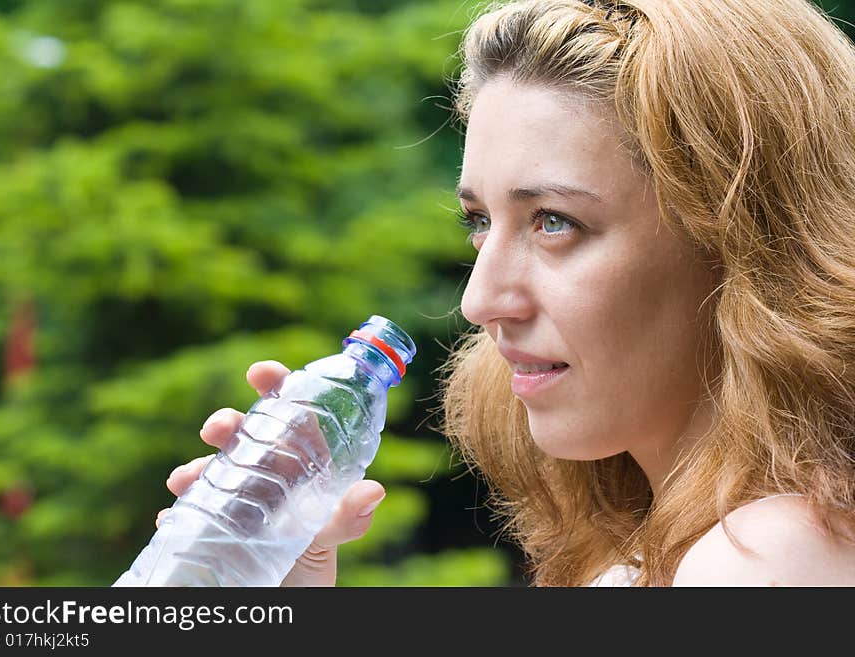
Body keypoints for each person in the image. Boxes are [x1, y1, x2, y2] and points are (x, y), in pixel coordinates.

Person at [159, 0, 855, 586]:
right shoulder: (653, 555)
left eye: (554, 222)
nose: (480, 300)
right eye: (479, 223)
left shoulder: (766, 555)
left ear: (745, 244)